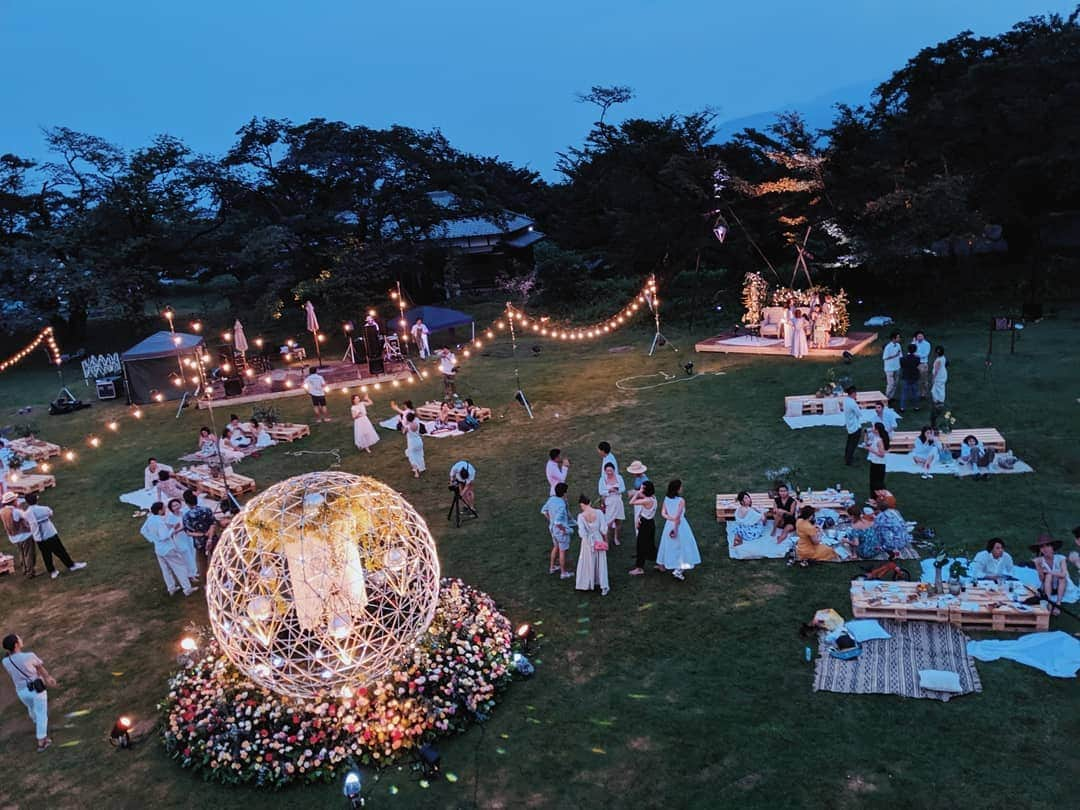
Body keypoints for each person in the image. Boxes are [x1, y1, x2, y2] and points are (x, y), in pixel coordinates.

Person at [2, 633, 56, 752]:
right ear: (16, 644)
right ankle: (42, 741)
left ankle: (38, 725)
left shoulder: (5, 661)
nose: (21, 638)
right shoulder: (29, 656)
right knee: (41, 714)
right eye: (19, 638)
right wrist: (48, 678)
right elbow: (40, 668)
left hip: (22, 692)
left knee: (32, 709)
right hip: (36, 689)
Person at [23, 492, 87, 580]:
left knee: (46, 555)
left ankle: (52, 571)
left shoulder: (27, 513)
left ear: (27, 502)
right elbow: (50, 513)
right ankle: (71, 565)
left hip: (39, 538)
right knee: (60, 551)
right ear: (36, 499)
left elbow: (27, 522)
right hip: (50, 533)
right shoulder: (44, 509)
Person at [141, 502, 198, 597]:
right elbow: (164, 536)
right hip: (168, 548)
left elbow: (143, 530)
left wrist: (153, 539)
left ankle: (171, 588)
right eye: (164, 508)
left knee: (166, 570)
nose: (165, 510)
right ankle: (187, 589)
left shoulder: (150, 519)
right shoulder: (160, 522)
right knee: (180, 567)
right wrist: (173, 529)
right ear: (160, 511)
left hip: (158, 549)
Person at [656, 479, 701, 580]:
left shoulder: (666, 499)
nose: (682, 488)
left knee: (670, 546)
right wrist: (675, 529)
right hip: (680, 526)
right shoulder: (681, 501)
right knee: (683, 547)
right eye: (680, 487)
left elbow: (663, 513)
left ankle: (671, 564)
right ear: (677, 489)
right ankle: (679, 569)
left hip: (668, 525)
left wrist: (670, 519)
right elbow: (678, 516)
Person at [575, 495, 610, 595]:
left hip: (587, 541)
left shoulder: (581, 516)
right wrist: (605, 541)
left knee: (587, 562)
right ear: (589, 502)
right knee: (601, 562)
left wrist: (587, 540)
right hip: (598, 538)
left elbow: (582, 533)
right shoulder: (599, 513)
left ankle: (587, 583)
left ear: (582, 504)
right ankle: (603, 585)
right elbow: (604, 529)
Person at [541, 482, 575, 580]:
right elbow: (558, 522)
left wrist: (550, 520)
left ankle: (552, 567)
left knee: (556, 547)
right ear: (564, 493)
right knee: (562, 551)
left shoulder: (551, 499)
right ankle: (563, 573)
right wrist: (564, 529)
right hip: (560, 531)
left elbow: (544, 511)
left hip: (552, 529)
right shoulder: (561, 505)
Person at [181, 489, 215, 580]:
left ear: (187, 503)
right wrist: (209, 538)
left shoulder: (186, 516)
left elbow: (188, 532)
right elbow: (212, 524)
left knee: (202, 562)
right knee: (217, 558)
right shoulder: (207, 510)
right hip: (213, 538)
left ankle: (206, 582)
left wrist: (202, 534)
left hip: (199, 543)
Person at [2, 491, 37, 577]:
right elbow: (27, 516)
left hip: (13, 537)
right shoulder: (16, 511)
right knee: (29, 554)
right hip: (24, 535)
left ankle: (25, 570)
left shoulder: (2, 511)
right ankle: (30, 572)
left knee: (21, 553)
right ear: (13, 501)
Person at [1031, 536, 1068, 615]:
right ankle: (1049, 602)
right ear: (1040, 549)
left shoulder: (1061, 558)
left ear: (1052, 547)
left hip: (1060, 585)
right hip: (1047, 586)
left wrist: (1049, 572)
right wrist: (1038, 565)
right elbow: (1041, 579)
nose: (1045, 549)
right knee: (1048, 576)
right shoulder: (1040, 560)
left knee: (1062, 577)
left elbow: (1064, 574)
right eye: (1042, 547)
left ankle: (1058, 603)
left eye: (1047, 545)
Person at [628, 480, 657, 576]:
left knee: (641, 545)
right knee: (650, 544)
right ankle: (660, 563)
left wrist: (637, 494)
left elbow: (631, 502)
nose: (640, 489)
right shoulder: (653, 498)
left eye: (642, 488)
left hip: (645, 524)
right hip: (651, 522)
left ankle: (639, 568)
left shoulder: (646, 501)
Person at [165, 498, 198, 584]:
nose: (176, 507)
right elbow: (170, 532)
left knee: (192, 552)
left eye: (177, 504)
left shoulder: (184, 513)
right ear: (171, 508)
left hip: (189, 536)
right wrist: (179, 529)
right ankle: (190, 575)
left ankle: (194, 571)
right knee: (186, 555)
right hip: (180, 538)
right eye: (173, 506)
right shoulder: (170, 518)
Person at [598, 462, 626, 546]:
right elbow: (601, 491)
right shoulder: (602, 479)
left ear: (614, 470)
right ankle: (606, 540)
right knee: (608, 523)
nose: (609, 472)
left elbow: (623, 488)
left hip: (618, 501)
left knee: (619, 521)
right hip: (609, 502)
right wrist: (609, 490)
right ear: (605, 471)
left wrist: (617, 490)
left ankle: (616, 537)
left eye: (611, 470)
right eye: (607, 471)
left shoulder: (619, 477)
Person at [863, 422, 889, 498]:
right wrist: (866, 433)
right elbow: (866, 443)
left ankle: (880, 500)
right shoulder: (875, 437)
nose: (872, 428)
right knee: (873, 483)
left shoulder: (879, 441)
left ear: (877, 430)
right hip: (874, 463)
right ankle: (874, 498)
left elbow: (882, 454)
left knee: (878, 484)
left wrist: (871, 450)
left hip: (879, 464)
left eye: (873, 427)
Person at [842, 386, 862, 466]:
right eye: (855, 393)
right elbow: (859, 414)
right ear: (853, 393)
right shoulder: (852, 403)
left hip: (849, 424)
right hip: (855, 426)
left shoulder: (846, 400)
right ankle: (849, 460)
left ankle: (847, 456)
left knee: (849, 442)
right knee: (852, 444)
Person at [899, 343, 921, 412]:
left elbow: (902, 366)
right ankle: (916, 406)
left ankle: (902, 407)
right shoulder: (917, 358)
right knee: (915, 392)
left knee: (904, 393)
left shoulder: (903, 359)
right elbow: (917, 365)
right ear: (915, 350)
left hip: (906, 376)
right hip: (914, 376)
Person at [882, 331, 902, 401]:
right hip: (889, 368)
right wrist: (894, 356)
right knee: (891, 384)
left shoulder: (898, 345)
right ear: (893, 338)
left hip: (897, 367)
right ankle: (886, 398)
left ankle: (891, 397)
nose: (899, 338)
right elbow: (885, 357)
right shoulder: (888, 347)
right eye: (898, 337)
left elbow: (900, 355)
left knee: (895, 383)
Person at [403, 412, 425, 478]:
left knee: (412, 456)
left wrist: (404, 425)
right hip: (419, 440)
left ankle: (416, 472)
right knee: (419, 454)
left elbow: (403, 432)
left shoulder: (407, 427)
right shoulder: (417, 423)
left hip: (412, 442)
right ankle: (422, 467)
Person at [913, 331, 932, 400]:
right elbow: (910, 352)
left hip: (923, 364)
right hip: (915, 363)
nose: (920, 337)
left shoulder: (927, 344)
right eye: (919, 336)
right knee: (916, 379)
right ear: (916, 337)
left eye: (921, 336)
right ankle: (917, 393)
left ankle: (923, 394)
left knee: (924, 379)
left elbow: (925, 354)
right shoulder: (914, 343)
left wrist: (917, 355)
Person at [931, 345, 948, 412]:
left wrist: (933, 378)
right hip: (943, 374)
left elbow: (936, 370)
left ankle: (939, 401)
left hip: (939, 376)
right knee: (940, 388)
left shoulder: (938, 360)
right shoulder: (943, 357)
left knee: (938, 388)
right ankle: (939, 400)